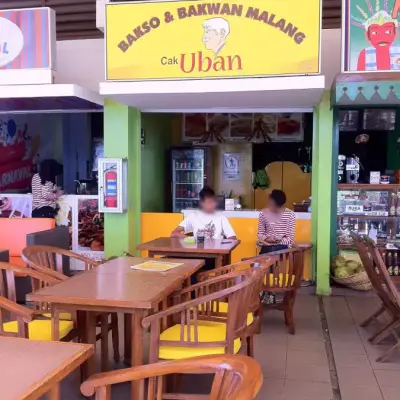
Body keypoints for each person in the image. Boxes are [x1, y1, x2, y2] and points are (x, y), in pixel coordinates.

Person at [171, 186, 237, 281]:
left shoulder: (221, 217)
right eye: (209, 202)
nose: (212, 205)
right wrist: (193, 239)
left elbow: (233, 238)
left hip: (214, 257)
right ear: (202, 203)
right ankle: (192, 293)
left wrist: (219, 243)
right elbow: (174, 234)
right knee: (173, 261)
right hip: (195, 255)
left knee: (193, 268)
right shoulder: (193, 216)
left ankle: (197, 292)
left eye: (213, 202)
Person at [257, 189, 296, 303]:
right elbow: (260, 234)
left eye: (273, 205)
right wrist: (266, 240)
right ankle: (268, 291)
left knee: (271, 256)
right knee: (269, 255)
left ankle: (268, 290)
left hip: (281, 249)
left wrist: (277, 241)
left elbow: (289, 239)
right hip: (267, 246)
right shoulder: (263, 214)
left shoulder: (290, 215)